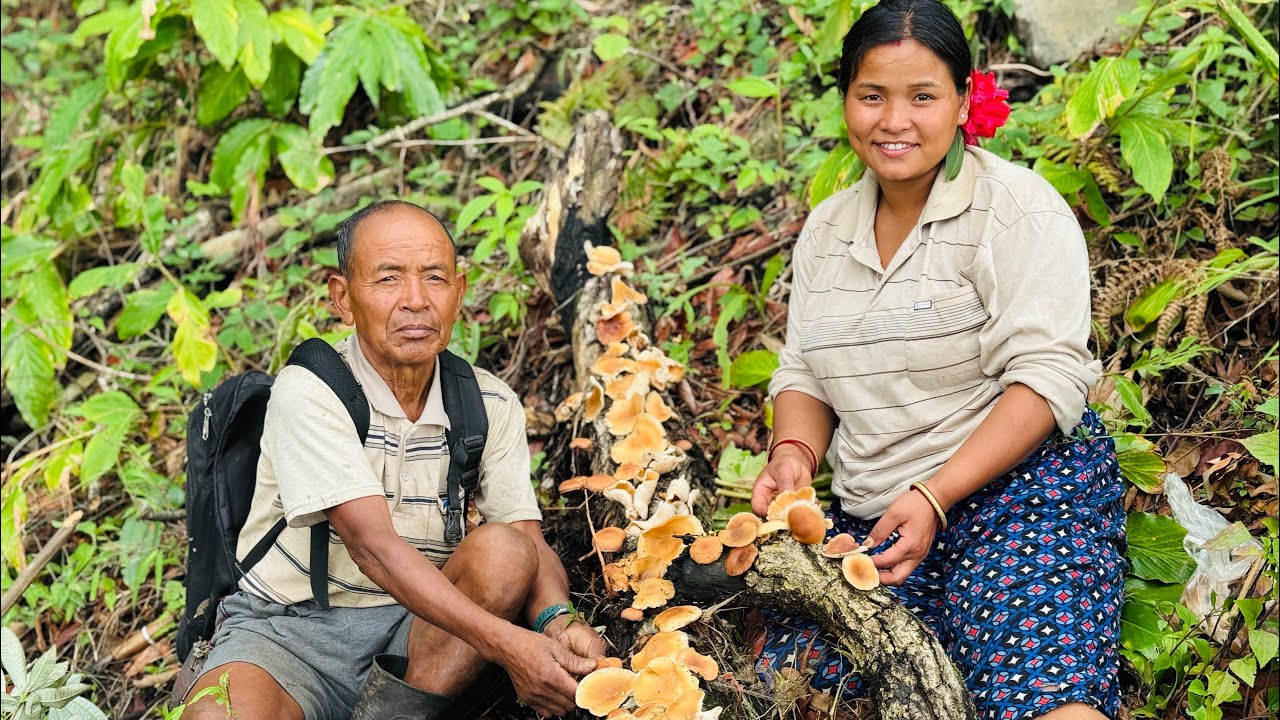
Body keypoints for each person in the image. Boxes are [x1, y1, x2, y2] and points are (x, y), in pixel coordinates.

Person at [749, 1, 1125, 718]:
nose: (894, 121)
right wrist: (793, 455)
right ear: (846, 104)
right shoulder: (827, 230)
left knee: (1038, 683)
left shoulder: (1015, 210)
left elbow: (1047, 380)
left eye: (922, 96)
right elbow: (803, 373)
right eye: (872, 96)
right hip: (878, 522)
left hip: (1020, 493)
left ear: (963, 101)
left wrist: (937, 495)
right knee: (799, 689)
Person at [184, 200, 605, 720]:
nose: (415, 301)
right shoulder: (313, 390)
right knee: (219, 715)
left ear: (459, 293)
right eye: (388, 279)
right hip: (289, 633)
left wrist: (557, 623)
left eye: (434, 278)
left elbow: (527, 539)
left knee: (507, 550)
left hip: (426, 631)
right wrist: (510, 647)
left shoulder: (488, 405)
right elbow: (373, 547)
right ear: (343, 297)